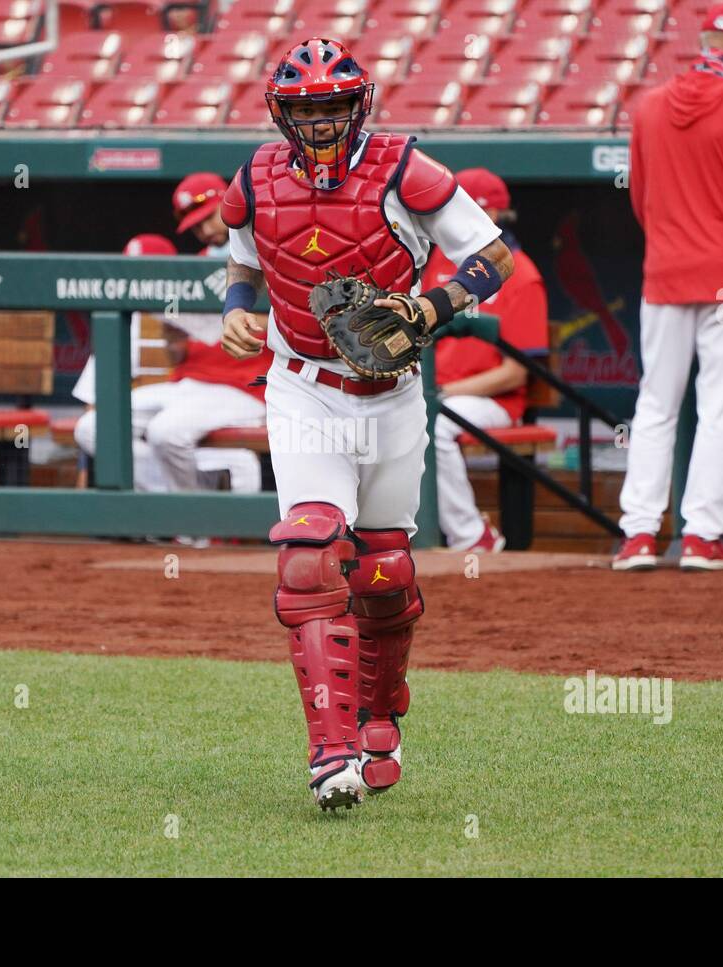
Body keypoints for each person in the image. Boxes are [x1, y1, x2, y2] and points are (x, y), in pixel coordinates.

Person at [220, 38, 514, 810]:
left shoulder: (404, 168)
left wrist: (429, 306)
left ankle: (382, 710)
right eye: (306, 108)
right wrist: (237, 312)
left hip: (389, 390)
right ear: (283, 111)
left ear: (359, 104)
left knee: (383, 572)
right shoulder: (253, 177)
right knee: (311, 555)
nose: (319, 121)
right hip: (302, 385)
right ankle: (331, 752)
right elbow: (244, 261)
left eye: (332, 105)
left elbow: (493, 256)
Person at [614, 2, 723, 572]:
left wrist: (670, 240)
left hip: (664, 272)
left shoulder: (648, 106)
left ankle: (639, 536)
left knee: (656, 405)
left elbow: (640, 198)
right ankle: (701, 538)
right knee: (718, 410)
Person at [72, 232, 268, 496]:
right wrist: (174, 336)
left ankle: (190, 524)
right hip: (189, 386)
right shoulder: (183, 284)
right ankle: (177, 506)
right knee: (92, 426)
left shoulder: (263, 269)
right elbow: (185, 351)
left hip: (245, 390)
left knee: (165, 432)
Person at [422, 167, 548, 553]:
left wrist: (441, 391)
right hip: (440, 392)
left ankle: (471, 535)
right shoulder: (440, 261)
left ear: (492, 215)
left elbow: (516, 372)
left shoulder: (521, 274)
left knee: (435, 423)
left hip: (494, 402)